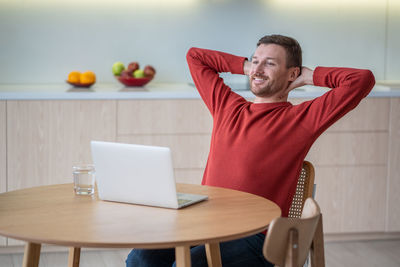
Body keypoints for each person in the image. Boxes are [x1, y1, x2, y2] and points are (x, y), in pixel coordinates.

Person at [126, 34, 375, 267]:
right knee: (140, 258)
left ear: (292, 73)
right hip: (204, 222)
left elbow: (362, 80)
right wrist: (249, 67)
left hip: (256, 237)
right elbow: (195, 56)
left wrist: (309, 76)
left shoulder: (302, 119)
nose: (257, 69)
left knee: (186, 264)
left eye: (269, 64)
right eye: (255, 61)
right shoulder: (227, 105)